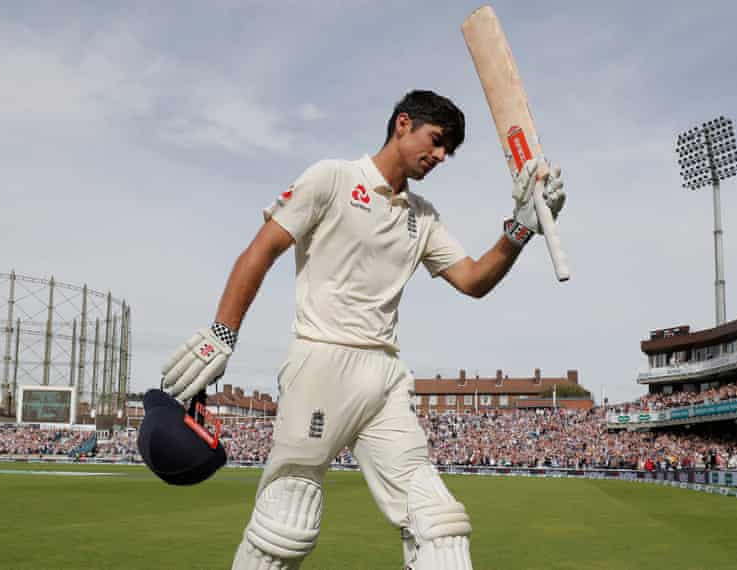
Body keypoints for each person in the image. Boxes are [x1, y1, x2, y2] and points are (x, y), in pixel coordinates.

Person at [161, 90, 566, 569]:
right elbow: (260, 251)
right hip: (321, 361)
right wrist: (223, 332)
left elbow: (473, 280)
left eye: (448, 151)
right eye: (435, 142)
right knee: (285, 525)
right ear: (402, 124)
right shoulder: (331, 178)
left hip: (384, 376)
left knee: (439, 525)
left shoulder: (424, 217)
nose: (440, 156)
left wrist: (519, 229)